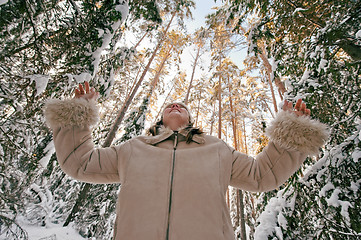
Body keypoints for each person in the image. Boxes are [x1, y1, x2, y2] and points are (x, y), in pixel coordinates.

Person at [44, 81, 329, 240]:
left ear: (191, 119)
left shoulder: (216, 149)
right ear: (161, 119)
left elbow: (261, 175)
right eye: (170, 105)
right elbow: (80, 163)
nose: (176, 105)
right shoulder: (133, 149)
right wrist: (76, 115)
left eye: (182, 105)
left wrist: (291, 135)